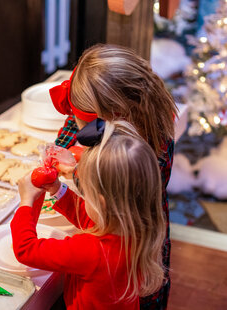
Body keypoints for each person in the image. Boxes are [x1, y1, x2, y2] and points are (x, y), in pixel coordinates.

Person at [50, 44, 178, 309]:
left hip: (134, 254)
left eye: (87, 124)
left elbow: (110, 190)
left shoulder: (146, 149)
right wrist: (60, 148)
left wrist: (75, 173)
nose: (78, 125)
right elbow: (75, 124)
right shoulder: (136, 107)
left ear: (114, 114)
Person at [11, 121, 167, 309]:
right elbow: (95, 221)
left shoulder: (91, 251)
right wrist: (59, 191)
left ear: (101, 203)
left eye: (85, 191)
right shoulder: (139, 228)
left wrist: (26, 201)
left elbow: (26, 250)